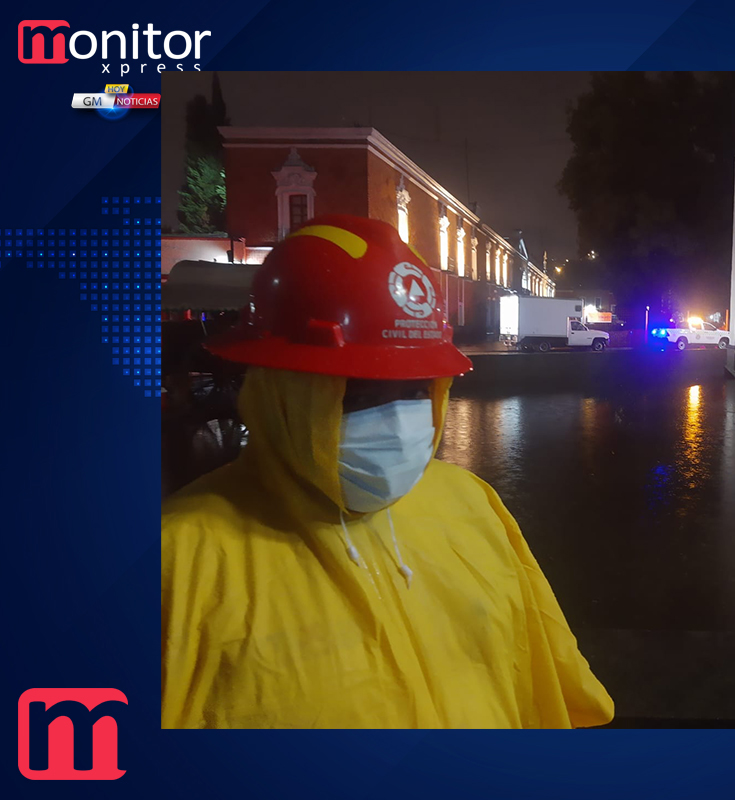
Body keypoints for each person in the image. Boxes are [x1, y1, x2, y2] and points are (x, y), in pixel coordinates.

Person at [161, 215, 614, 728]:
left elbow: (542, 689)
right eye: (359, 391)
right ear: (278, 390)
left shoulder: (470, 504)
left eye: (416, 388)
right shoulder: (179, 560)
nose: (399, 420)